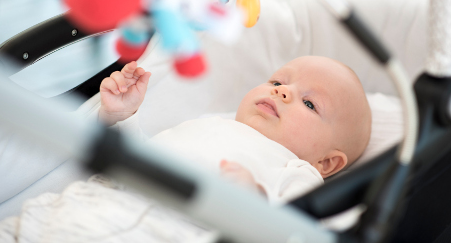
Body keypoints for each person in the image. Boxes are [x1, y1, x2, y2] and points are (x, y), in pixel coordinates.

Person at [98, 56, 371, 203]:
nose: (282, 91)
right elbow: (138, 158)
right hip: (102, 202)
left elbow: (292, 227)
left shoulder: (298, 171)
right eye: (277, 81)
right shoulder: (210, 123)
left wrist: (252, 201)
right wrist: (123, 117)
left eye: (310, 103)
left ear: (326, 162)